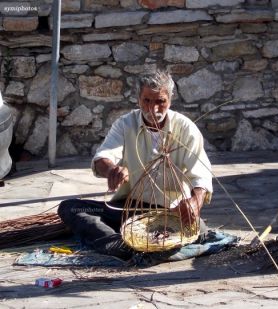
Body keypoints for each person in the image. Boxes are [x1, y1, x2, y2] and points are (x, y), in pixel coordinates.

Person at [58, 69, 213, 260]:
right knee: (70, 208)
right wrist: (111, 170)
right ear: (138, 99)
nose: (153, 109)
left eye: (160, 102)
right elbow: (102, 158)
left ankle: (138, 246)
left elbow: (201, 175)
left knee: (201, 231)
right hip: (127, 209)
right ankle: (118, 245)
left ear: (170, 101)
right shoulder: (125, 124)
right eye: (146, 101)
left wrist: (195, 202)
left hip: (170, 214)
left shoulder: (186, 128)